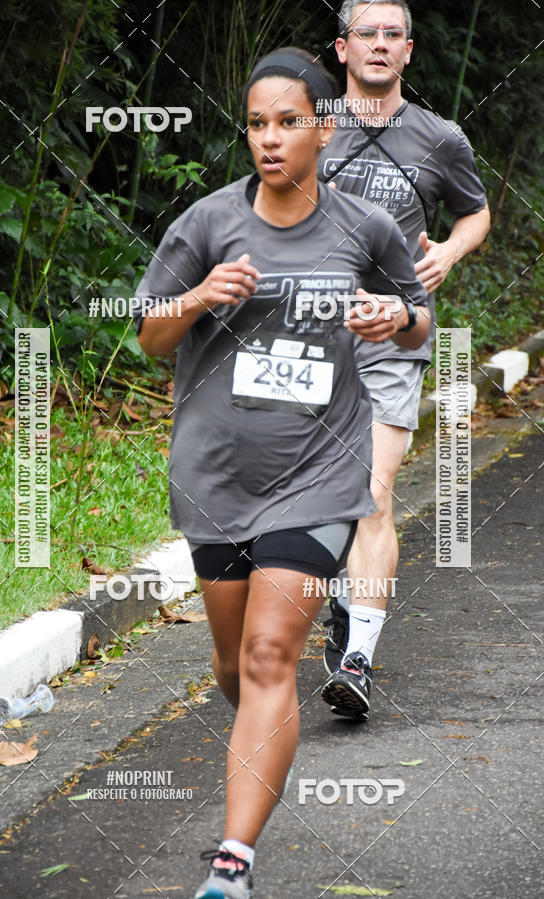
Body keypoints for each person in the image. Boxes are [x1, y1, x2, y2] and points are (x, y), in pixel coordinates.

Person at [136, 47, 429, 899]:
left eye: (287, 122)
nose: (269, 139)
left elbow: (416, 317)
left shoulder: (359, 229)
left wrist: (392, 313)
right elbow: (150, 333)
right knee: (237, 670)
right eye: (257, 124)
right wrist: (196, 300)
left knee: (271, 651)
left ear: (322, 127)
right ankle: (264, 740)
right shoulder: (207, 223)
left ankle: (233, 864)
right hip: (217, 477)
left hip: (319, 475)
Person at [319, 0, 490, 720]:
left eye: (394, 35)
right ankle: (335, 592)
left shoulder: (439, 137)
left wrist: (450, 248)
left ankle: (357, 656)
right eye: (368, 34)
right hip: (311, 334)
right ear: (342, 48)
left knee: (374, 492)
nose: (381, 45)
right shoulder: (309, 123)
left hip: (393, 332)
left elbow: (475, 210)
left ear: (410, 52)